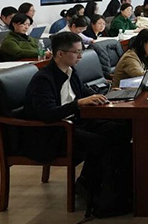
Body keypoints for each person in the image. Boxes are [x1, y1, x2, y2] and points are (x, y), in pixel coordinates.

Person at [22, 32, 130, 203]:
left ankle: (111, 184)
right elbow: (47, 114)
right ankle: (86, 186)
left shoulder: (71, 71)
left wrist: (107, 95)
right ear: (60, 54)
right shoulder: (44, 79)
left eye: (81, 51)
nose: (80, 56)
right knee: (100, 142)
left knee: (122, 130)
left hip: (75, 122)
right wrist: (78, 103)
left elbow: (83, 92)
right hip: (53, 132)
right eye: (76, 52)